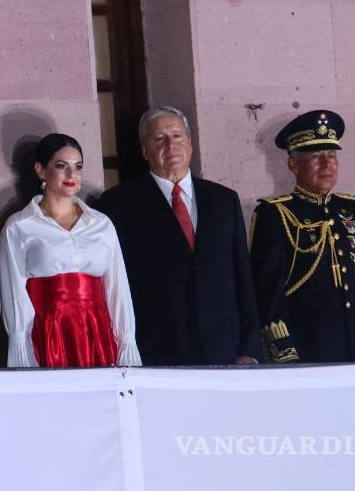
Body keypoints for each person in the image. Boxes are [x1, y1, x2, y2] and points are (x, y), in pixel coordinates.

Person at [97, 106, 261, 366]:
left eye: (177, 136)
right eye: (159, 138)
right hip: (157, 349)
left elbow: (242, 276)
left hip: (224, 348)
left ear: (190, 144)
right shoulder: (118, 204)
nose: (170, 145)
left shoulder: (223, 200)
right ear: (145, 151)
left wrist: (250, 347)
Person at [250, 110, 355, 363]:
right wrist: (285, 353)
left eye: (331, 156)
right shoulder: (274, 214)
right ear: (293, 165)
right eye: (315, 156)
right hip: (310, 353)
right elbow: (268, 292)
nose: (326, 164)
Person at [0, 133, 140, 367]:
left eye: (78, 166)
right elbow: (13, 293)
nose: (72, 174)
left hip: (97, 333)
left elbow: (117, 288)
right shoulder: (19, 226)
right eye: (62, 166)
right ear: (41, 170)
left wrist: (126, 342)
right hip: (47, 334)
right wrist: (22, 350)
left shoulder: (101, 224)